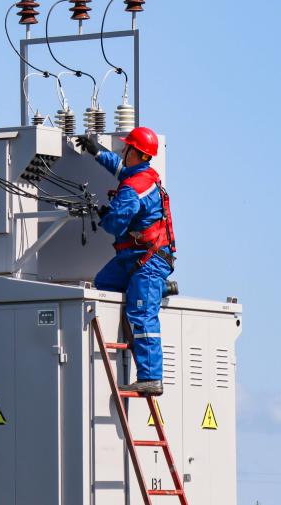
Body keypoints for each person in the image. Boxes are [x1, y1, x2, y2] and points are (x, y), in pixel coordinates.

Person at [76, 127, 176, 396]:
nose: (123, 150)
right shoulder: (142, 176)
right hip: (135, 260)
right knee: (103, 283)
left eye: (127, 147)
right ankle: (162, 287)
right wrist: (96, 151)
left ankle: (151, 378)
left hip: (148, 262)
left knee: (141, 314)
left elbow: (115, 224)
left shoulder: (134, 190)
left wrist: (104, 213)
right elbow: (120, 169)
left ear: (139, 153)